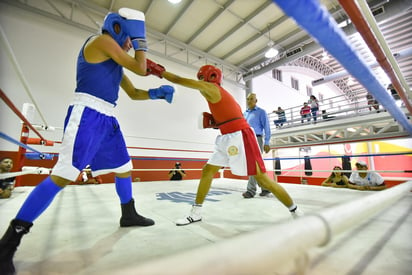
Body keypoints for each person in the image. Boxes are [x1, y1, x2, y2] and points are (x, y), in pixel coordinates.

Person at [0, 8, 175, 274]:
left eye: (133, 41)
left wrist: (157, 94)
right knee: (63, 175)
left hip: (107, 117)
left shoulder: (115, 60)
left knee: (124, 167)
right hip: (87, 114)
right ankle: (8, 243)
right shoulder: (101, 41)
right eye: (130, 39)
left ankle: (128, 213)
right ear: (120, 29)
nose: (130, 44)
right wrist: (141, 42)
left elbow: (135, 92)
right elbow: (141, 67)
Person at [150, 64, 302, 225]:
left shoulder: (212, 88)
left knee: (263, 180)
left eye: (202, 78)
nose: (200, 81)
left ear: (211, 77)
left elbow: (179, 79)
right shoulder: (219, 94)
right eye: (199, 79)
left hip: (241, 136)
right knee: (207, 171)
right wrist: (218, 123)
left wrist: (159, 71)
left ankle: (296, 211)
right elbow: (231, 115)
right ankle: (196, 212)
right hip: (226, 137)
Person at [242, 93, 271, 198]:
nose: (249, 101)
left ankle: (251, 190)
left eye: (251, 99)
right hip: (246, 140)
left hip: (257, 139)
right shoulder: (244, 113)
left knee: (254, 164)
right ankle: (265, 188)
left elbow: (267, 127)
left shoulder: (261, 112)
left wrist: (267, 142)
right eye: (248, 99)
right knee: (257, 165)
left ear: (256, 101)